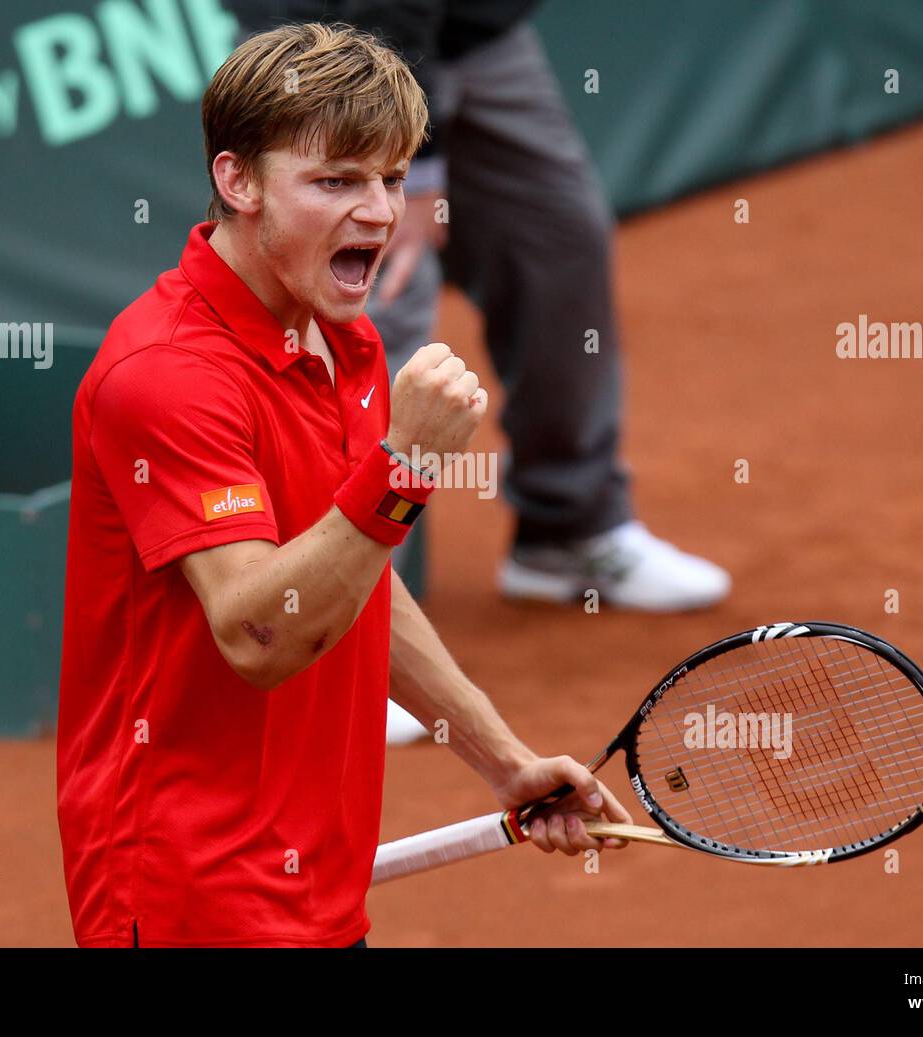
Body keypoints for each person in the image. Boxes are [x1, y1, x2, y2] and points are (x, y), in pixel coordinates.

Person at [55, 22, 631, 949]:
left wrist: (501, 758)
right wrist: (403, 469)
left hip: (313, 878)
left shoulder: (343, 337)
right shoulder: (166, 376)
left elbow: (354, 583)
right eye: (335, 182)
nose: (378, 212)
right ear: (238, 180)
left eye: (392, 179)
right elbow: (261, 633)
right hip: (189, 897)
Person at [233, 1, 732, 616]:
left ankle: (567, 526)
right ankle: (330, 607)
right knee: (370, 302)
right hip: (326, 39)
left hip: (475, 32)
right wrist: (415, 175)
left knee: (559, 246)